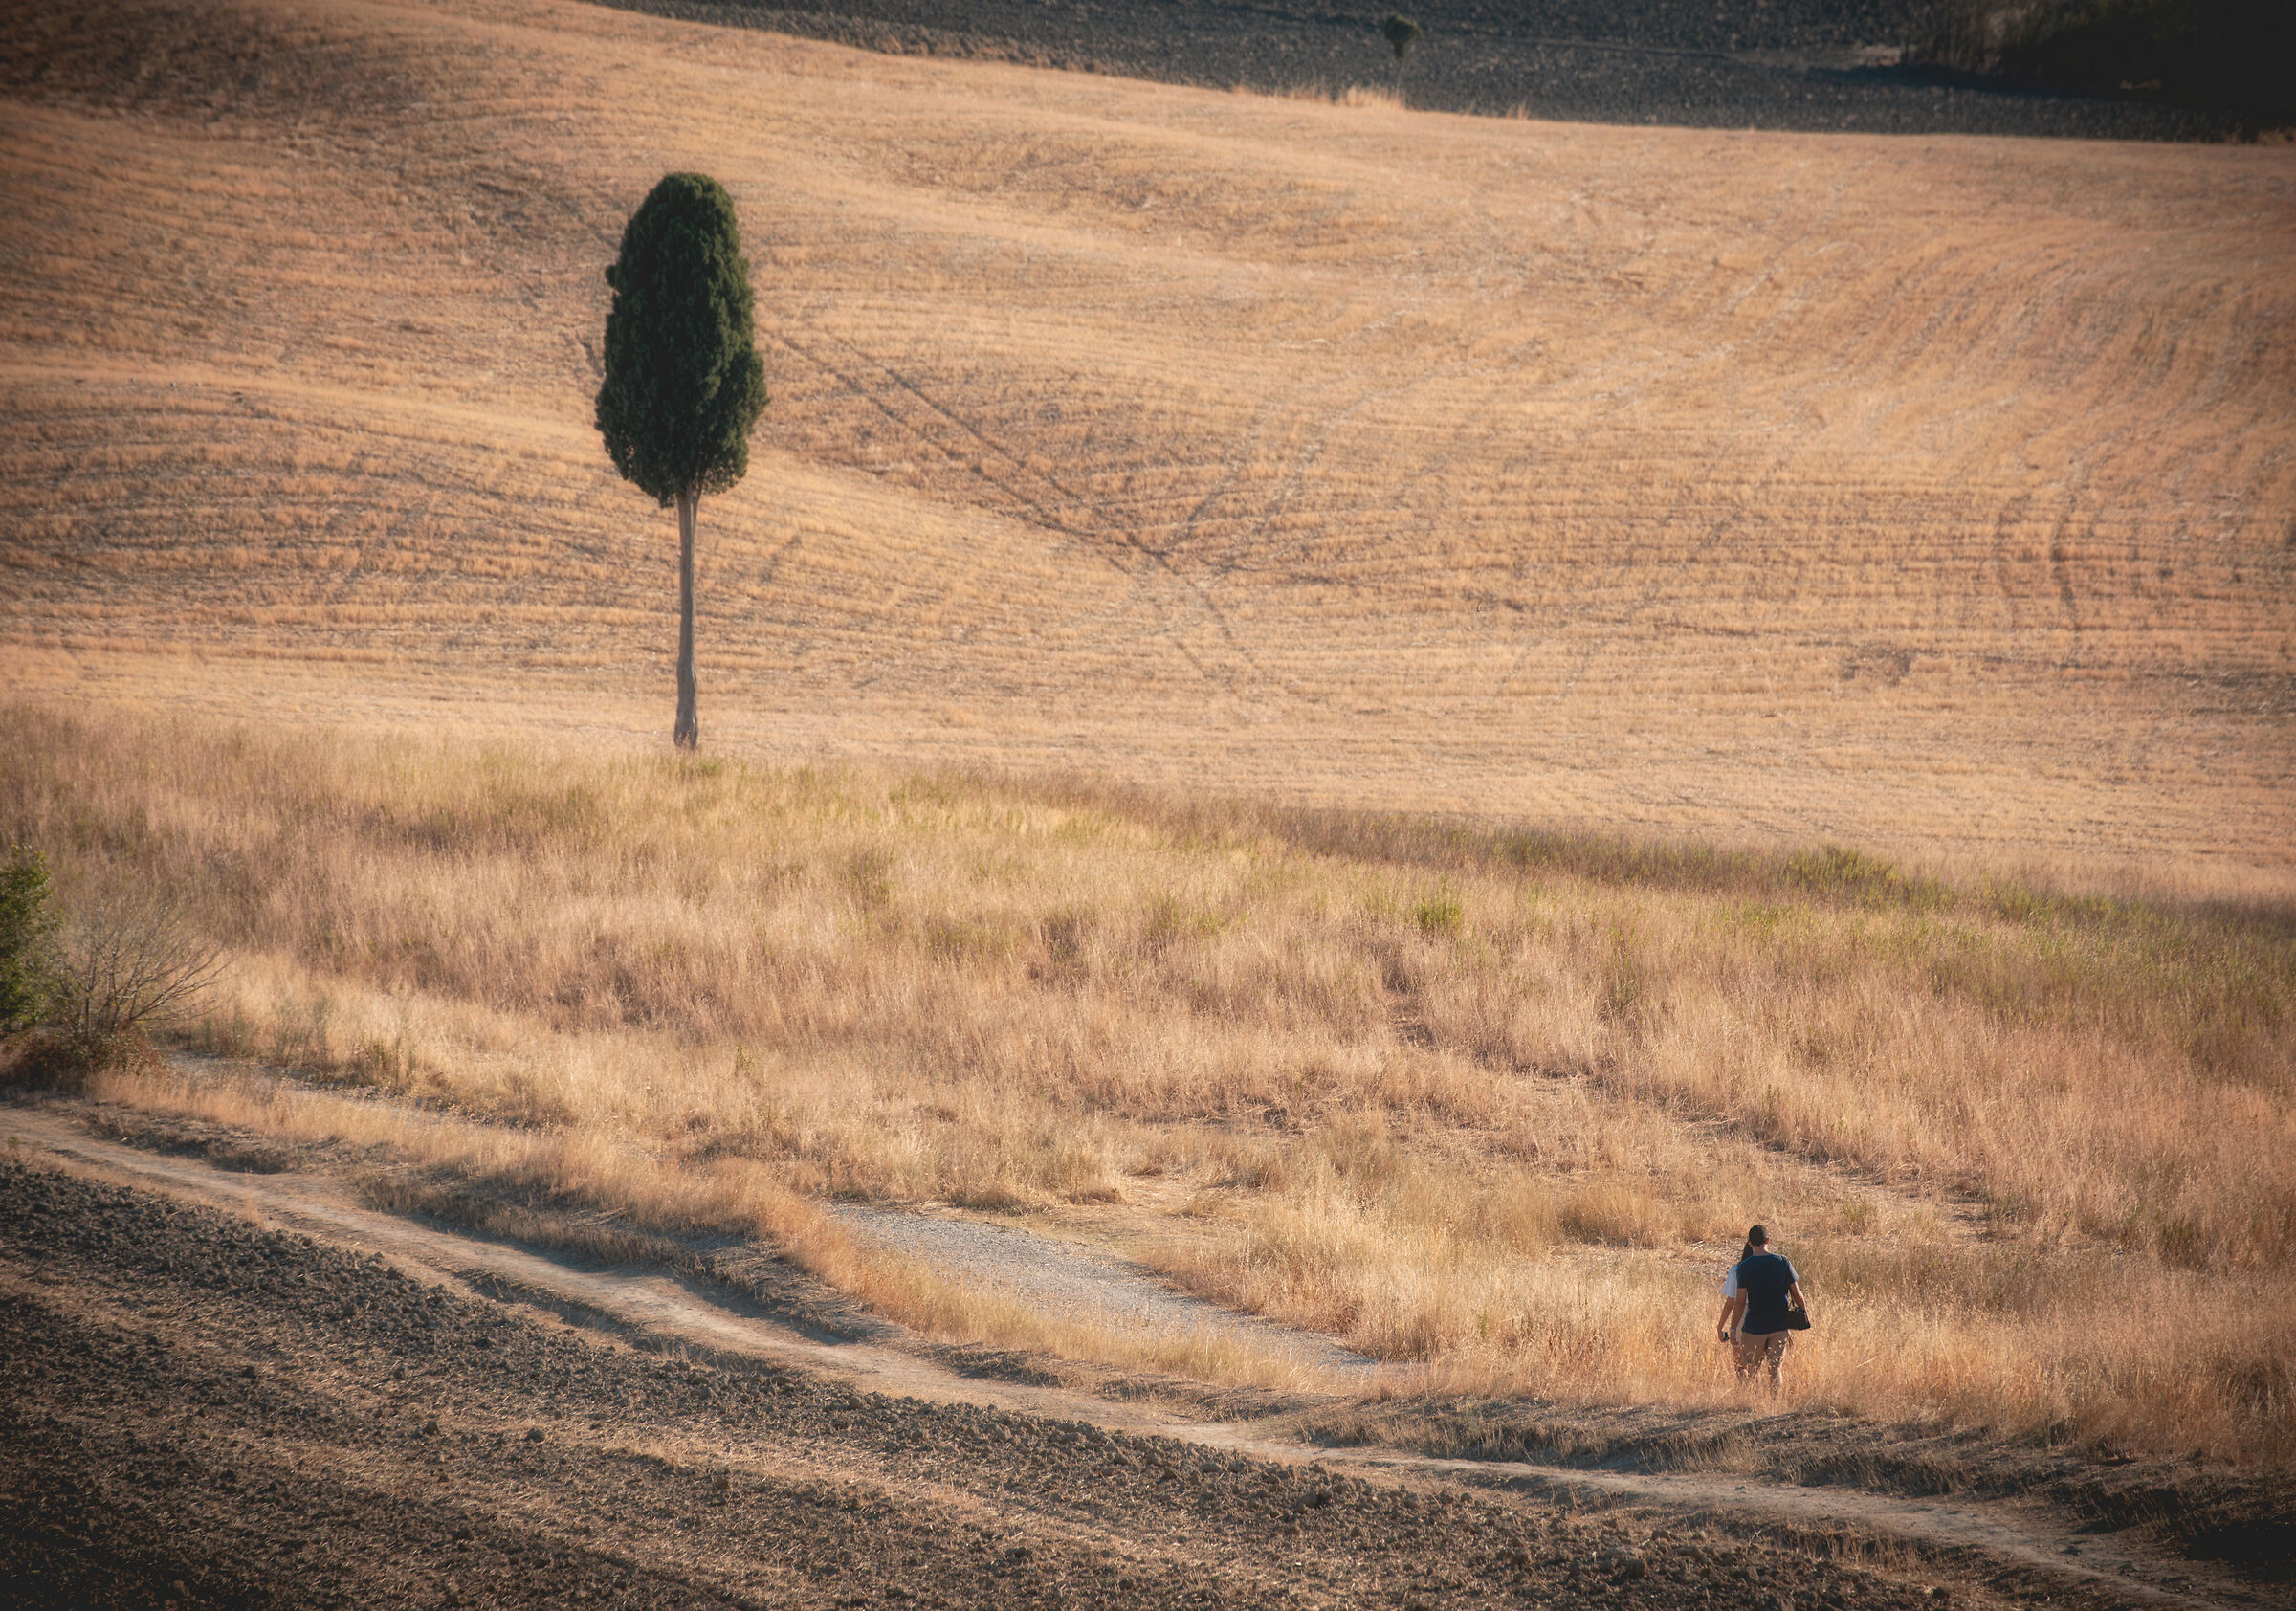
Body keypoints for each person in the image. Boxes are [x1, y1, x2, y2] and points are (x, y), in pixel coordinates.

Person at [1718, 1224, 1807, 1398]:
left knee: (1752, 1368)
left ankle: (1754, 1404)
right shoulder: (1783, 1262)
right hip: (1779, 1326)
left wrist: (1734, 1327)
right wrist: (1804, 1313)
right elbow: (1797, 1293)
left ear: (1750, 1244)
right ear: (1768, 1240)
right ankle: (1774, 1405)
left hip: (1754, 1327)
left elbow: (1739, 1301)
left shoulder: (1743, 1268)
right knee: (1775, 1369)